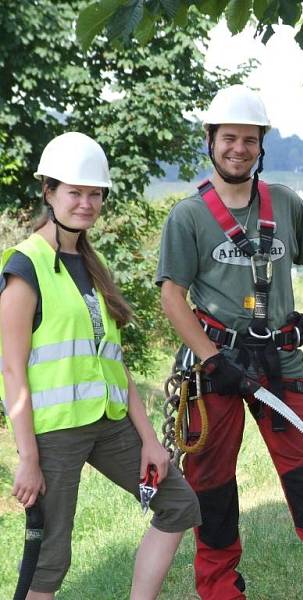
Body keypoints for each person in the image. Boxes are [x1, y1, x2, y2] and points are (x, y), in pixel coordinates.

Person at [156, 85, 303, 600]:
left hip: (280, 364)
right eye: (228, 138)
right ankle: (220, 592)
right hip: (213, 369)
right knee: (211, 489)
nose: (239, 148)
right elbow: (173, 297)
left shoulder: (285, 203)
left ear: (262, 146)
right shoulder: (188, 217)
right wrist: (213, 363)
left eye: (250, 140)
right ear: (210, 141)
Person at [0, 132, 201, 600]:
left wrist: (151, 440)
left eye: (95, 194)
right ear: (49, 193)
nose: (86, 203)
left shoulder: (90, 264)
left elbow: (115, 363)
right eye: (75, 192)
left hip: (109, 425)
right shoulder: (24, 267)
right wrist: (27, 459)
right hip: (55, 433)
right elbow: (12, 372)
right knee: (50, 558)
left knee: (177, 504)